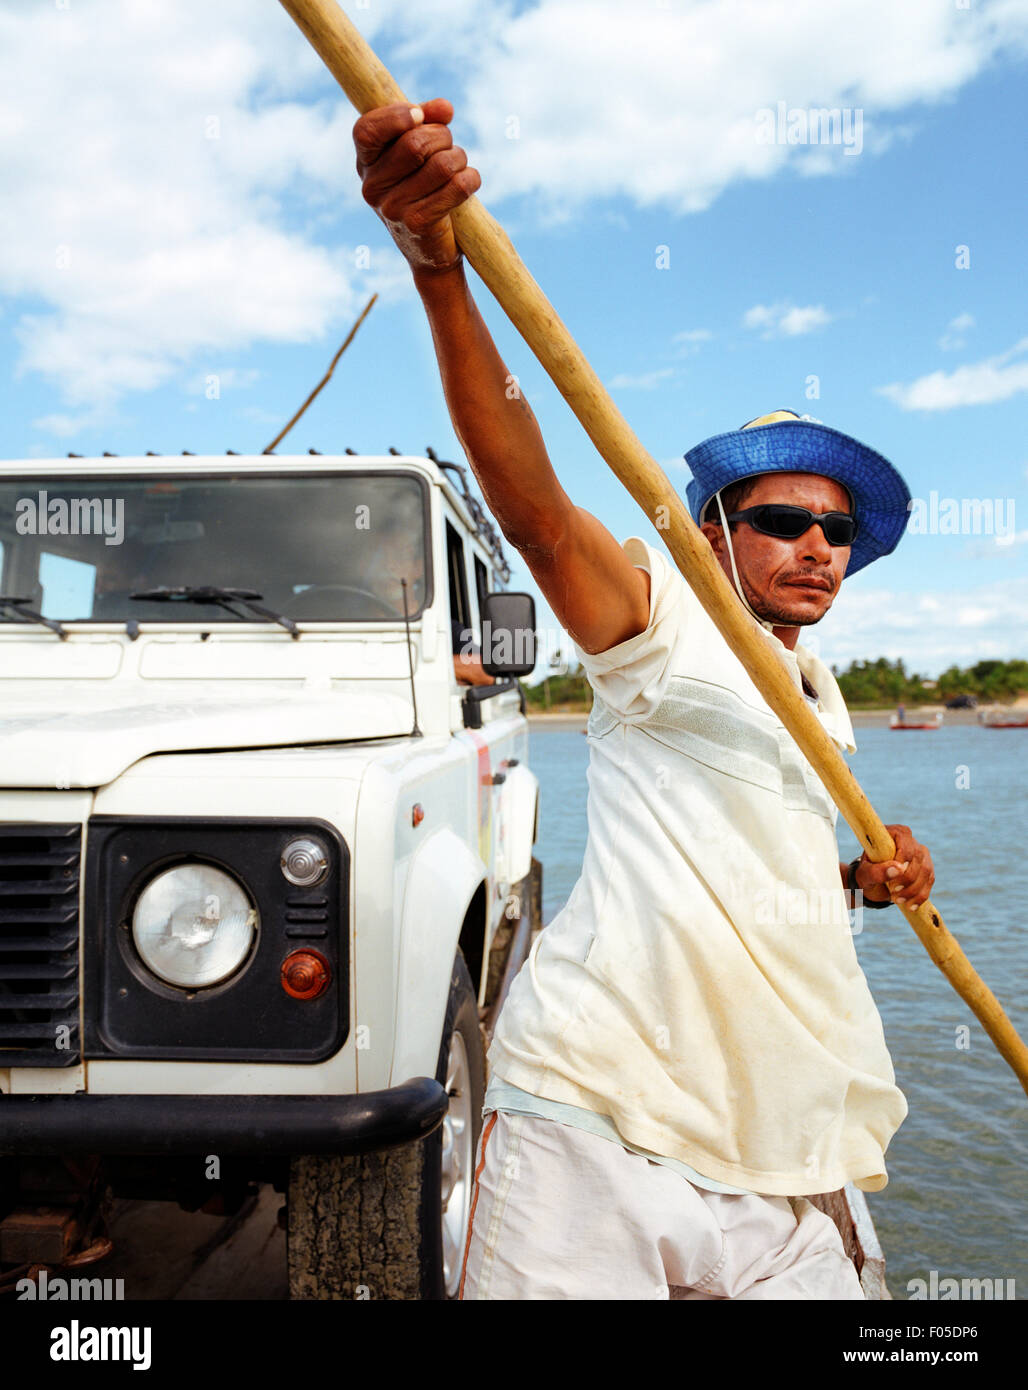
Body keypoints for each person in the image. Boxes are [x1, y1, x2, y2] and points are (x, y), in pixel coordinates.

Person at [353, 100, 935, 1300]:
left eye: (833, 529)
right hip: (599, 1123)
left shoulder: (815, 692)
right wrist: (440, 278)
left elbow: (748, 864)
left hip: (788, 1142)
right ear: (715, 536)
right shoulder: (661, 617)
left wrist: (858, 881)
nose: (816, 546)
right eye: (781, 520)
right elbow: (537, 513)